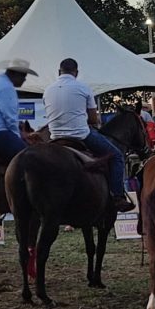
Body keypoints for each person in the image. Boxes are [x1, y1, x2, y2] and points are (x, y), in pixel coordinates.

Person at [43, 58, 135, 212]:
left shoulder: (48, 90)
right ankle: (118, 197)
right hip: (81, 135)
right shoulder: (83, 88)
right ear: (76, 72)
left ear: (59, 72)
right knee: (117, 156)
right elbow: (93, 119)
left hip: (55, 137)